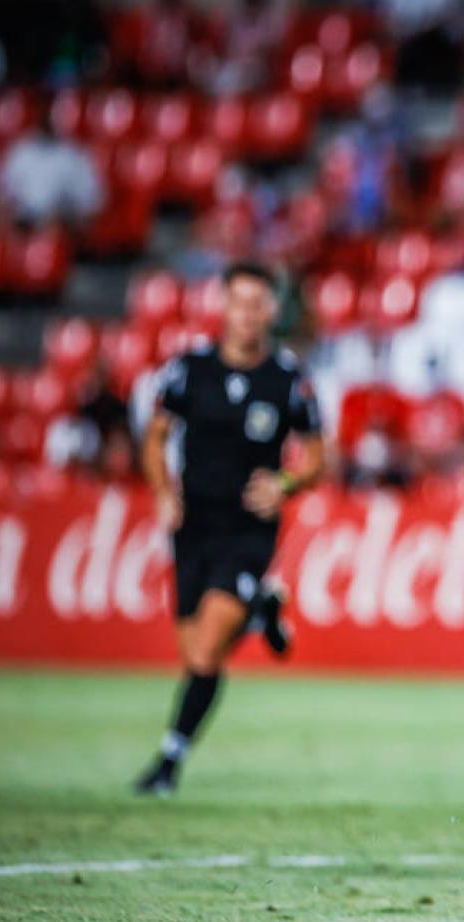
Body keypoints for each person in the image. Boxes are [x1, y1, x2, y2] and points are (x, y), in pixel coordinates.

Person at [134, 262, 324, 796]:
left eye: (257, 304)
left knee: (205, 652)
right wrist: (163, 490)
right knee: (194, 647)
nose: (246, 315)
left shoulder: (287, 378)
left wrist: (285, 482)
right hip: (193, 524)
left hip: (248, 528)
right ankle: (261, 611)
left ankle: (169, 762)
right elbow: (154, 437)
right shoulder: (188, 370)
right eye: (238, 302)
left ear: (271, 311)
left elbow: (316, 455)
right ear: (224, 307)